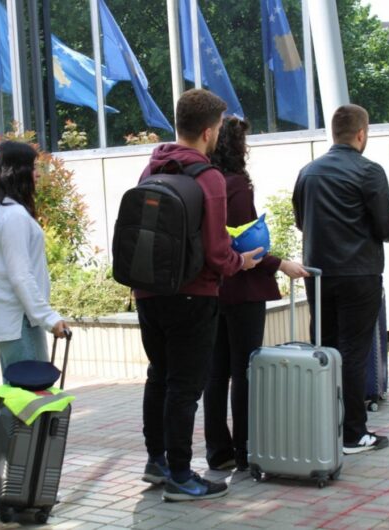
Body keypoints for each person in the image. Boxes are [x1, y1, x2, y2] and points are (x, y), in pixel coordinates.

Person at [135, 89, 263, 502]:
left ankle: (156, 461)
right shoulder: (208, 178)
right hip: (193, 294)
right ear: (208, 131)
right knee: (185, 386)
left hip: (148, 291)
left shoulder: (152, 168)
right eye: (220, 127)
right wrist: (240, 263)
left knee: (159, 375)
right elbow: (216, 251)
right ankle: (180, 475)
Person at [292, 104, 389, 455]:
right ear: (361, 134)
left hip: (319, 275)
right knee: (353, 352)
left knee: (325, 349)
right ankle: (353, 433)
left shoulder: (308, 172)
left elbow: (301, 221)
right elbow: (386, 227)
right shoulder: (369, 171)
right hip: (359, 274)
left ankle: (325, 425)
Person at [203, 116, 308, 472]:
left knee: (215, 373)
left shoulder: (203, 181)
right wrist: (281, 263)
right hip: (241, 288)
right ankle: (245, 448)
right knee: (244, 369)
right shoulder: (236, 185)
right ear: (236, 147)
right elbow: (245, 242)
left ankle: (217, 451)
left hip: (211, 289)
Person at [0, 141, 69, 378]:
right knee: (31, 395)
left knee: (17, 394)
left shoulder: (0, 212)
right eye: (33, 167)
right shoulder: (14, 216)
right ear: (18, 172)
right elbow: (20, 275)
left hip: (16, 321)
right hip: (21, 321)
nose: (37, 174)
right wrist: (49, 318)